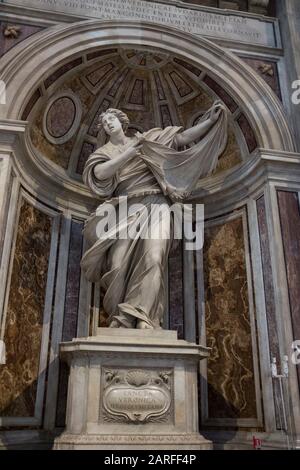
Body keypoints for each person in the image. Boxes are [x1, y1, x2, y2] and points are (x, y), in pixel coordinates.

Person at [81, 102, 227, 329]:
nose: (108, 124)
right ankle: (121, 320)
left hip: (158, 204)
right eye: (104, 122)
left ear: (122, 121)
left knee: (154, 258)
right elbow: (100, 173)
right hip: (125, 209)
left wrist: (209, 121)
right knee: (117, 265)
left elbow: (180, 139)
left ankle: (142, 317)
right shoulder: (104, 152)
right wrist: (129, 154)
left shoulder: (148, 139)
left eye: (112, 119)